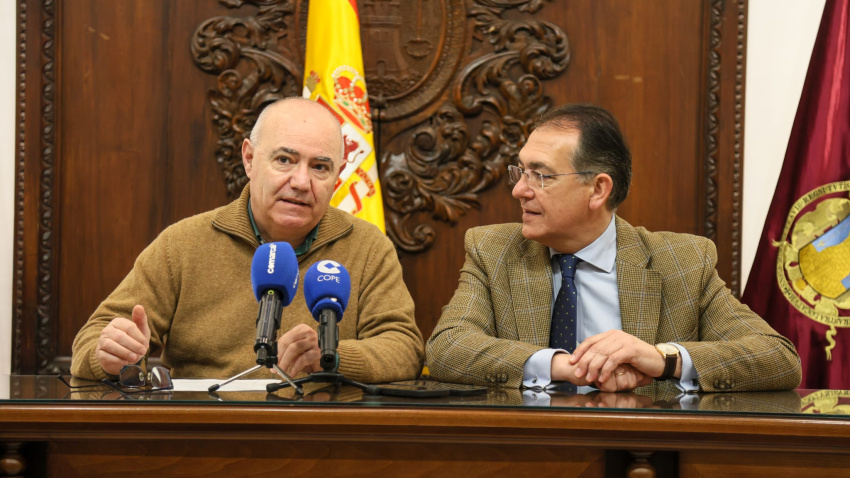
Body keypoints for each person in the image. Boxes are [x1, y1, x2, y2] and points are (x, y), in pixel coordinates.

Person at [426, 104, 801, 393]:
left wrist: (662, 359)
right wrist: (562, 366)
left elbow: (777, 358)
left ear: (598, 189)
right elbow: (446, 348)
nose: (520, 190)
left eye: (541, 175)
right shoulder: (493, 250)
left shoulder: (682, 262)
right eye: (521, 171)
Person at [71, 98, 424, 382]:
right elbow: (93, 339)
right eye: (285, 159)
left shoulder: (367, 246)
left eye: (320, 167)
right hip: (204, 435)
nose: (302, 182)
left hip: (321, 438)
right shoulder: (182, 244)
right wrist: (108, 353)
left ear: (337, 176)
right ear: (250, 159)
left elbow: (405, 349)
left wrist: (333, 355)